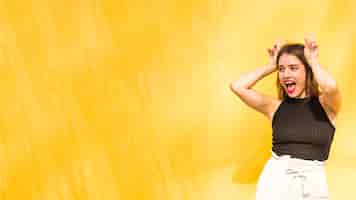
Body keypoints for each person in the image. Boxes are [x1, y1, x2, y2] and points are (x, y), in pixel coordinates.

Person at [229, 34, 342, 200]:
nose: (285, 74)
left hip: (312, 186)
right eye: (281, 69)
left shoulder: (327, 106)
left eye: (293, 68)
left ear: (307, 71)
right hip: (276, 183)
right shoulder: (274, 107)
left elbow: (331, 86)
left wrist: (313, 61)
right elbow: (237, 86)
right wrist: (270, 66)